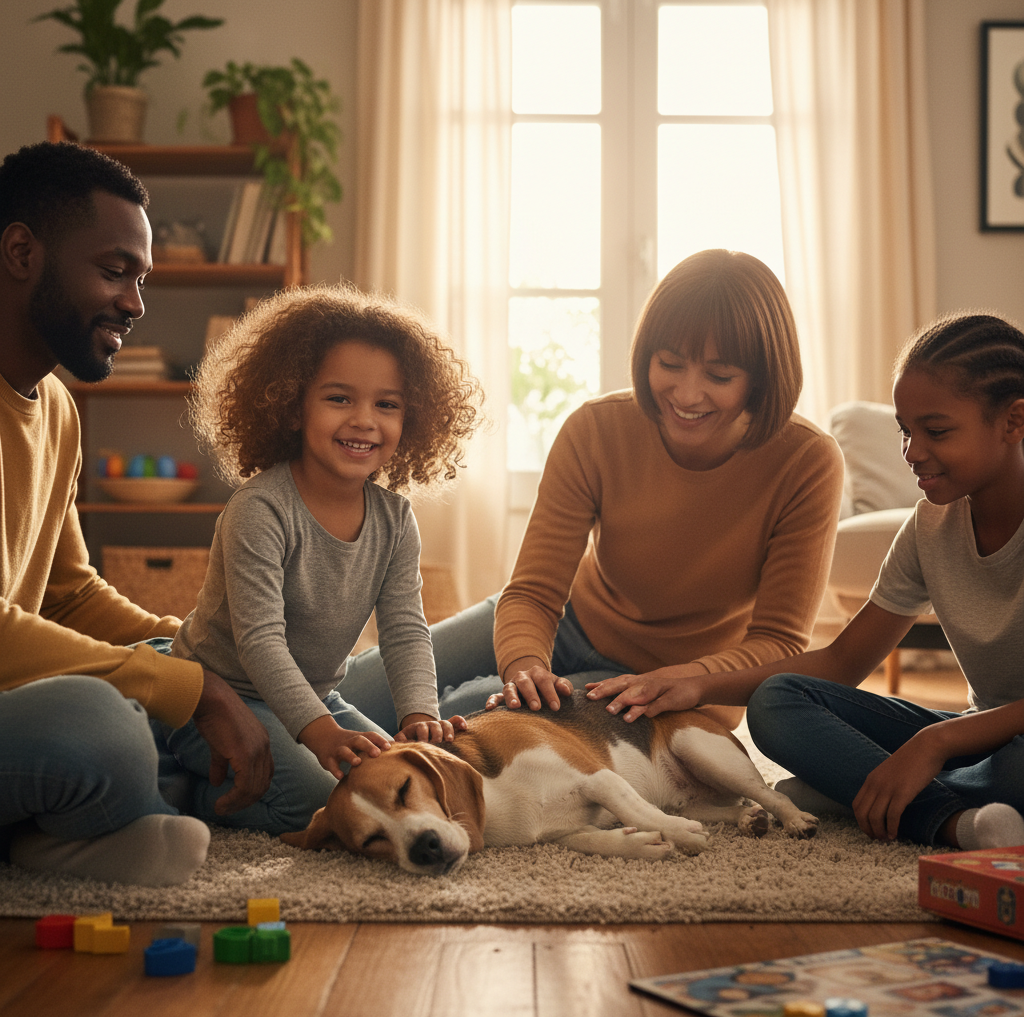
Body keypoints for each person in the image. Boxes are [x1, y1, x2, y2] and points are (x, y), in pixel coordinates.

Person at [338, 248, 846, 732]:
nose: (687, 394)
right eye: (669, 364)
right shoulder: (597, 430)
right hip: (568, 620)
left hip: (676, 682)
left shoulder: (806, 462)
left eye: (719, 374)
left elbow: (779, 643)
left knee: (460, 718)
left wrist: (690, 681)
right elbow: (534, 591)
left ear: (759, 379)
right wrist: (524, 664)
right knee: (356, 690)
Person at [589, 312, 1024, 852]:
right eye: (905, 431)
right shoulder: (929, 528)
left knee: (1013, 771)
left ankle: (876, 793)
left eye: (935, 431)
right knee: (777, 701)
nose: (912, 452)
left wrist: (937, 741)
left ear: (1013, 421)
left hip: (995, 749)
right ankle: (957, 820)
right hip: (981, 742)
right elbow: (842, 665)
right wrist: (696, 683)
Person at [0, 140, 273, 887]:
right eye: (115, 271)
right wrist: (189, 690)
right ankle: (74, 825)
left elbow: (72, 595)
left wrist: (192, 651)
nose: (135, 303)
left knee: (202, 685)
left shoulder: (54, 405)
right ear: (22, 251)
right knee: (100, 725)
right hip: (37, 714)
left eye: (141, 278)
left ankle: (89, 822)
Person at [163, 284, 482, 835]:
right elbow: (260, 640)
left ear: (413, 420)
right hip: (214, 697)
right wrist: (318, 733)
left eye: (387, 404)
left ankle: (256, 763)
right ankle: (187, 786)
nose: (364, 420)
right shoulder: (260, 509)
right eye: (339, 399)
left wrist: (419, 716)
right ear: (291, 406)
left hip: (313, 695)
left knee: (398, 775)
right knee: (316, 798)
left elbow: (406, 630)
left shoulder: (394, 519)